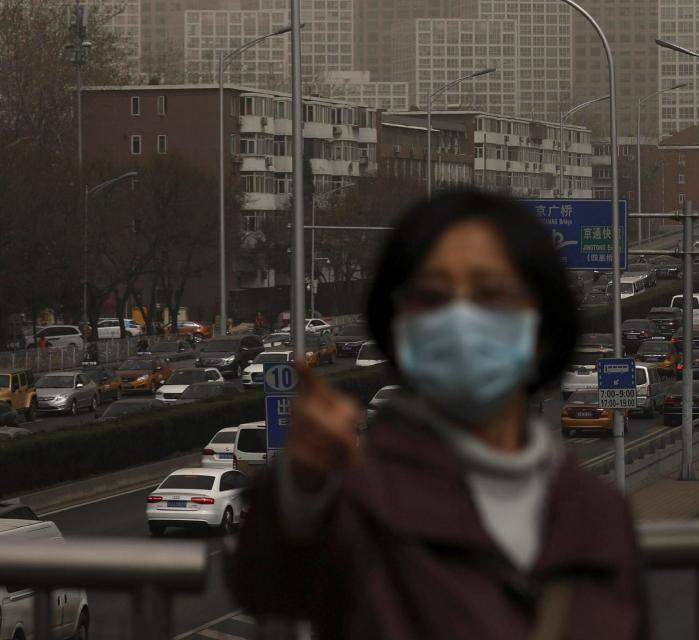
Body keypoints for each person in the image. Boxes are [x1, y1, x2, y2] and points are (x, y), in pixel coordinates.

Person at [228, 190, 650, 638]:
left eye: (490, 294)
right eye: (433, 296)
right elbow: (266, 583)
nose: (462, 320)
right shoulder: (357, 506)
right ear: (397, 324)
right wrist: (302, 485)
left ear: (543, 325)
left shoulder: (598, 515)